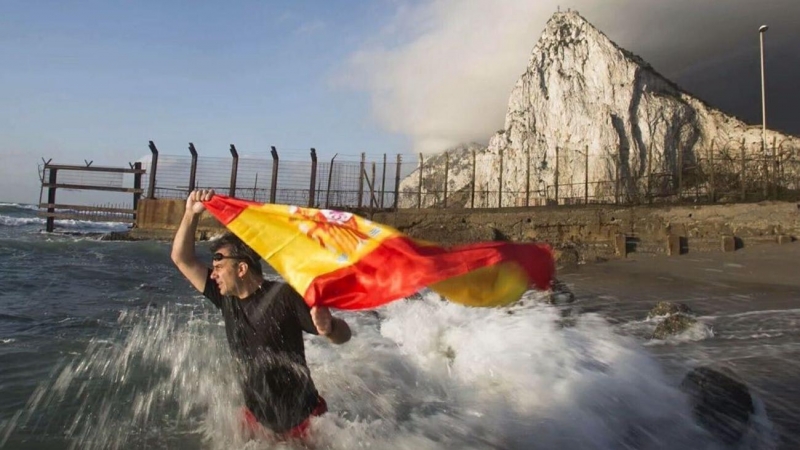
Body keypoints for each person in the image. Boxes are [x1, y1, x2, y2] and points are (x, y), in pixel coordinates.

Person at [171, 189, 351, 441]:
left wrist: (329, 327)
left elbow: (345, 336)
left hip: (303, 422)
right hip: (255, 419)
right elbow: (182, 259)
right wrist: (191, 213)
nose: (213, 274)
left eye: (219, 266)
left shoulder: (284, 297)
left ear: (242, 268)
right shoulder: (226, 298)